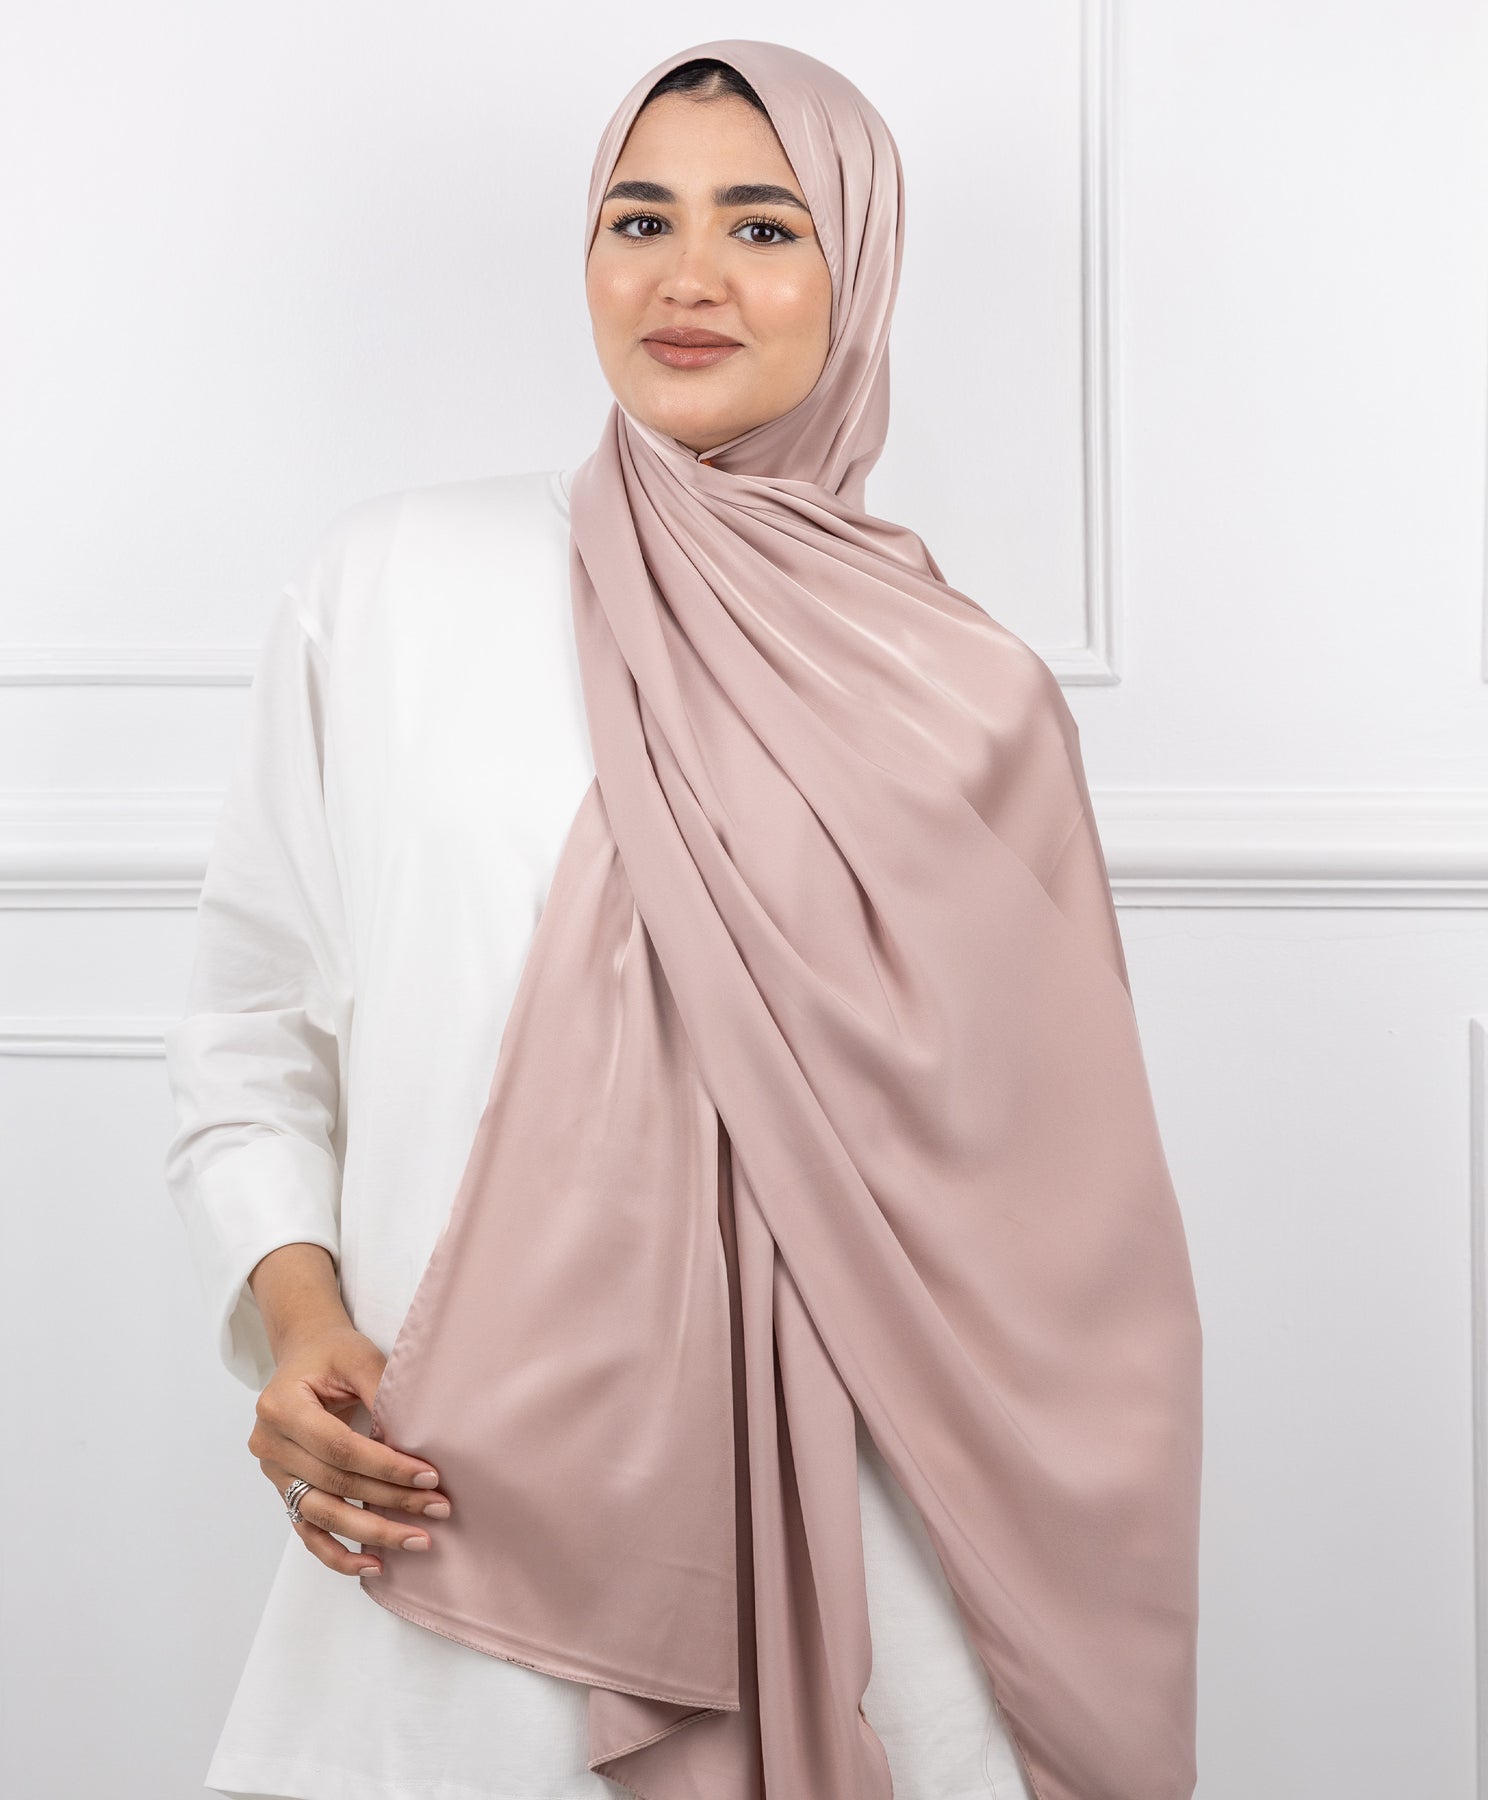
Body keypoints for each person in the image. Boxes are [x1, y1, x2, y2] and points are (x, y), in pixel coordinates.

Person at [164, 39, 1201, 1800]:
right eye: (639, 219)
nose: (688, 276)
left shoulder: (971, 701)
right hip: (452, 1512)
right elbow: (247, 1027)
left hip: (881, 1579)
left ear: (859, 271)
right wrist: (298, 1314)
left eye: (765, 226)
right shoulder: (394, 587)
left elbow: (1063, 1230)